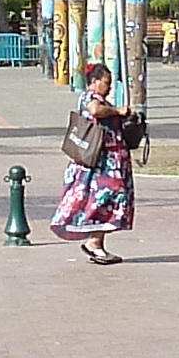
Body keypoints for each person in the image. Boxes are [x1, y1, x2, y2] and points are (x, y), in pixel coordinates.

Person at [50, 60, 142, 266]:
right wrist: (117, 111)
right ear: (94, 81)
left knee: (107, 200)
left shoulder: (102, 100)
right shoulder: (91, 98)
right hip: (100, 164)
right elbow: (95, 110)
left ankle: (96, 241)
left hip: (109, 163)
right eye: (106, 82)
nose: (109, 87)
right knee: (104, 197)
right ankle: (93, 241)